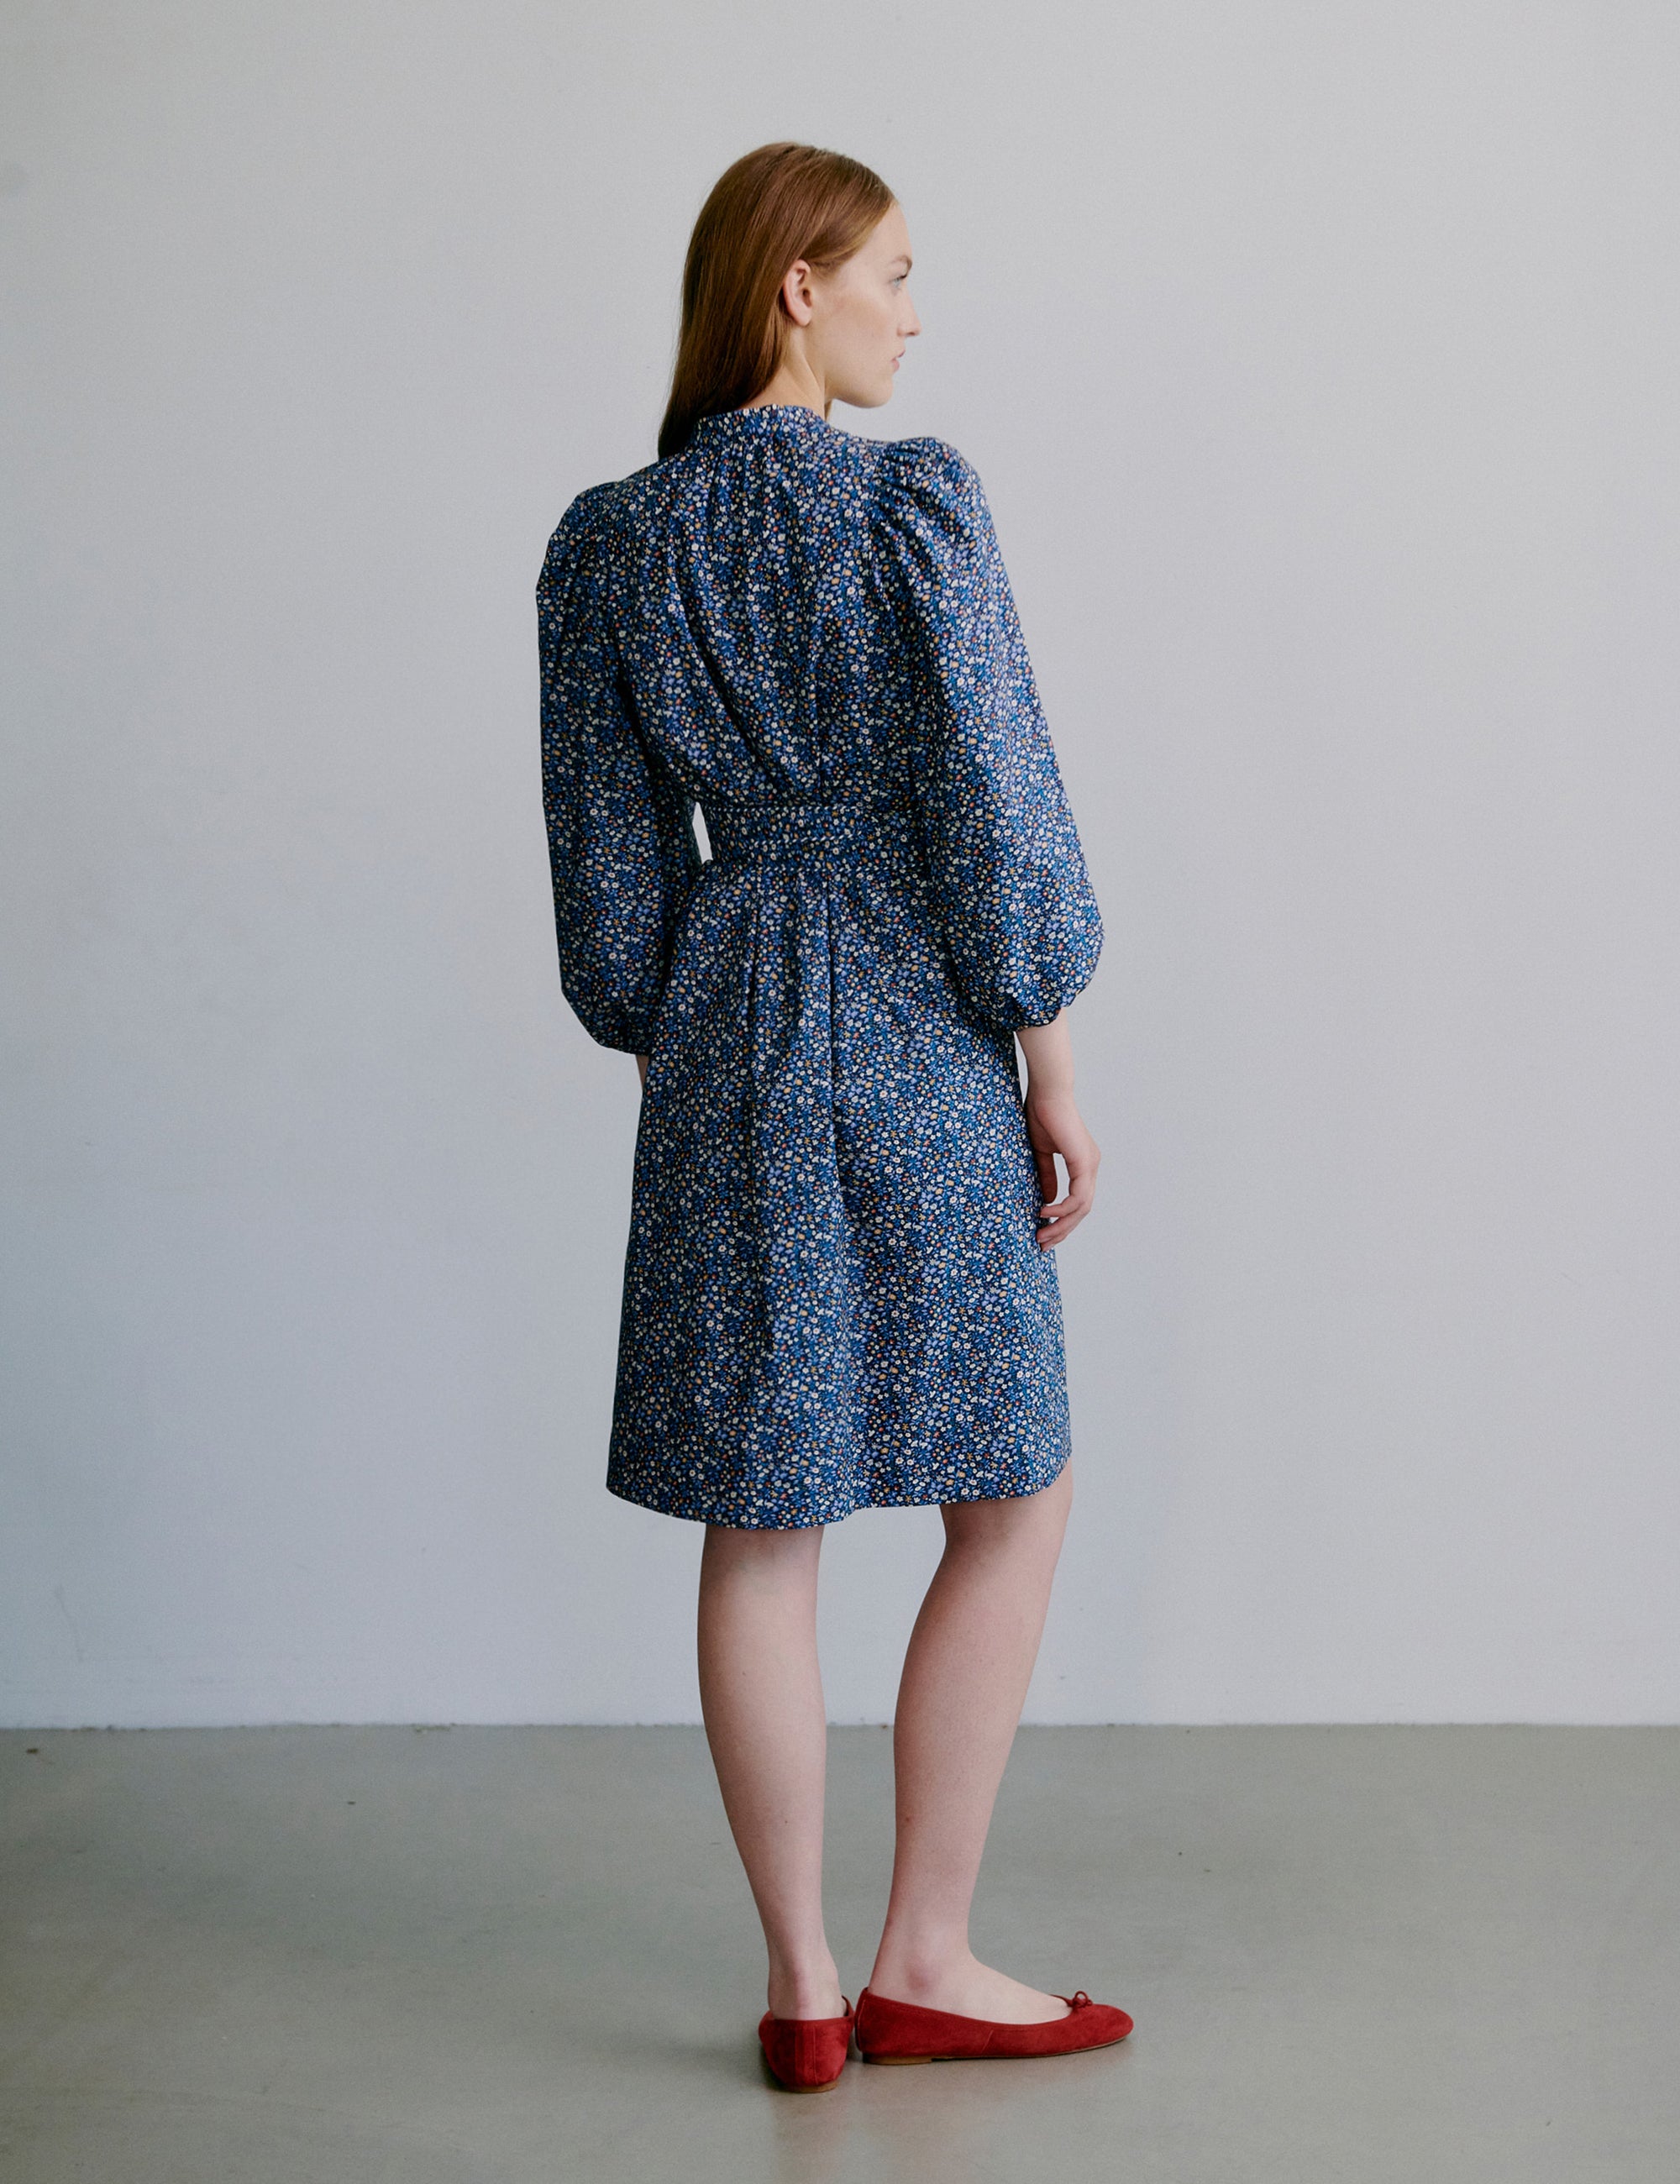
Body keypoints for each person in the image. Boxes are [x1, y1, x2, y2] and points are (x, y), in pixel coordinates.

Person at [537, 140, 1131, 2089]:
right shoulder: (914, 510)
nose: (911, 302)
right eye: (888, 265)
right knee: (1012, 1483)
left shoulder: (606, 547)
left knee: (761, 1521)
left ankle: (801, 1988)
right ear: (791, 286)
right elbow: (998, 799)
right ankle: (925, 1952)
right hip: (915, 1015)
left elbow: (612, 905)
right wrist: (1047, 1043)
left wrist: (687, 1032)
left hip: (725, 1032)